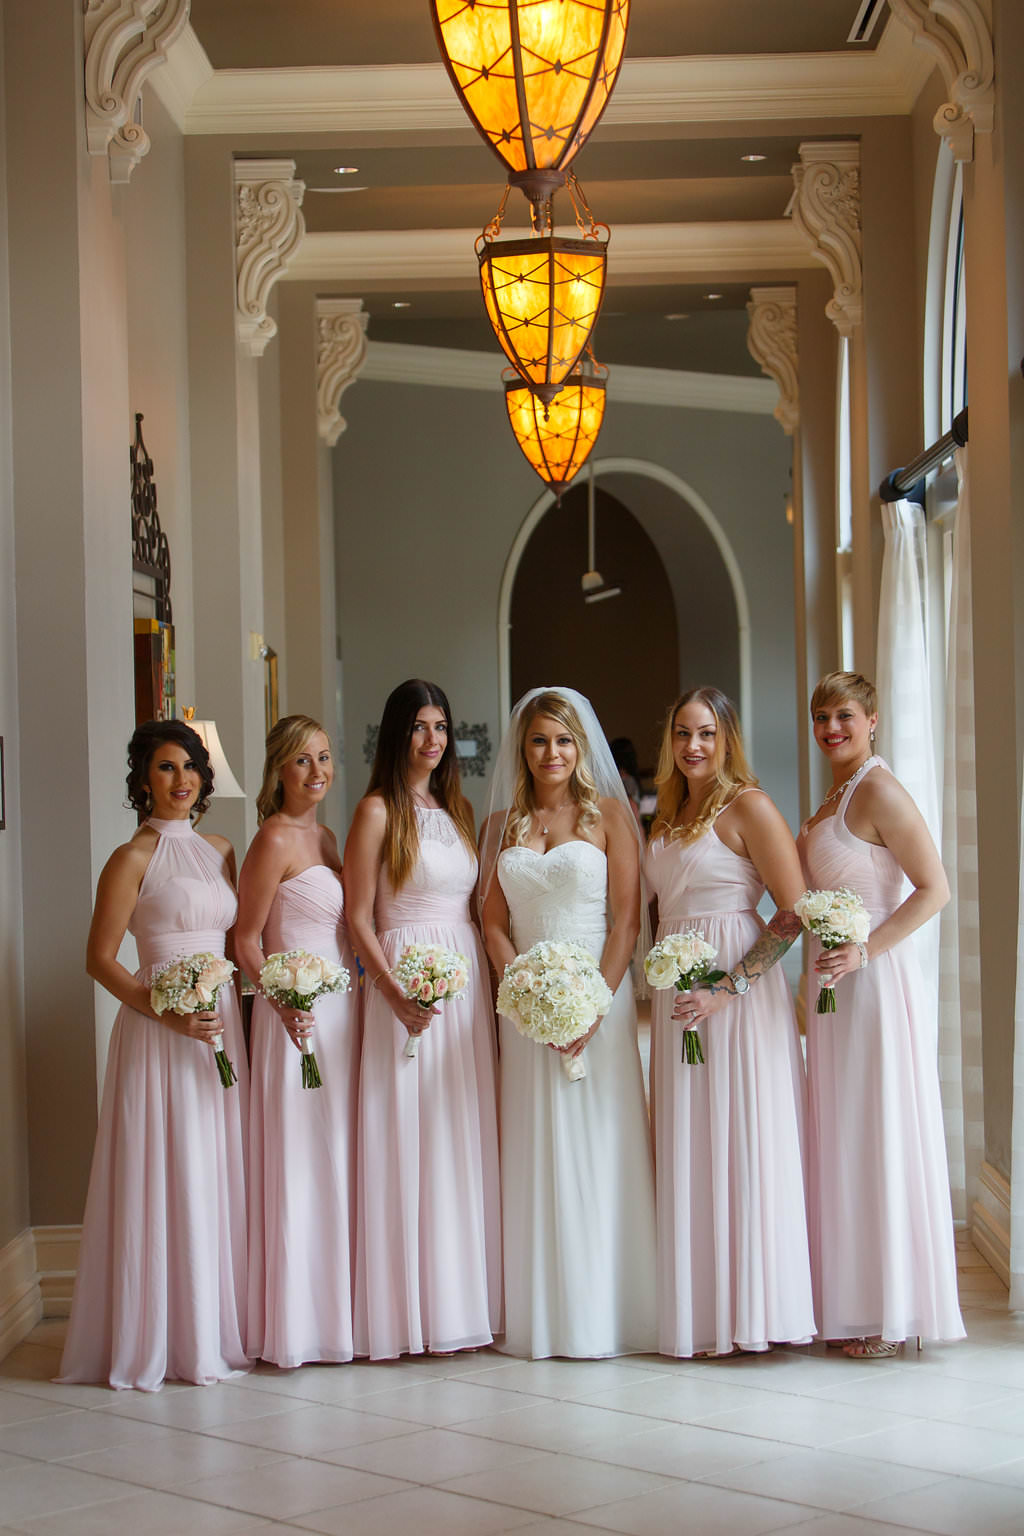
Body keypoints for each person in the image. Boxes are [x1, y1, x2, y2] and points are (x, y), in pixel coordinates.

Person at [58, 721, 248, 1391]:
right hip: (159, 1031)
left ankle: (210, 1331)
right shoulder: (131, 857)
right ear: (143, 780)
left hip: (218, 1029)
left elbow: (233, 941)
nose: (182, 779)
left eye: (190, 766)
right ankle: (157, 1340)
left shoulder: (221, 849)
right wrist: (163, 1009)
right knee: (166, 1171)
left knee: (212, 1169)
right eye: (166, 768)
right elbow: (98, 959)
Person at [480, 687, 656, 1358]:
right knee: (534, 1140)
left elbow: (628, 920)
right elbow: (493, 920)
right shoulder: (502, 823)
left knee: (595, 1142)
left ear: (580, 748)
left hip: (596, 1001)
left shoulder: (609, 815)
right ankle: (543, 1314)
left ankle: (609, 1309)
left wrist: (595, 1004)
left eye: (562, 740)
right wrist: (519, 984)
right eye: (538, 741)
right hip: (525, 1008)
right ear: (522, 750)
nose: (550, 753)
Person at [645, 687, 815, 1358]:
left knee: (744, 1133)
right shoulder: (665, 815)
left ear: (727, 740)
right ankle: (699, 1307)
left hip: (737, 995)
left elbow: (795, 911)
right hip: (676, 993)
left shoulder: (750, 807)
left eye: (707, 734)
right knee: (691, 1137)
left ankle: (757, 1307)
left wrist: (732, 984)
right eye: (683, 733)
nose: (693, 746)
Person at [799, 671, 964, 1357]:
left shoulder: (880, 789)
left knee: (875, 1130)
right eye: (821, 717)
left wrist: (866, 949)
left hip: (871, 983)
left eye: (843, 716)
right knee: (843, 1133)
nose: (831, 728)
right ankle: (852, 1297)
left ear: (872, 720)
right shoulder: (838, 792)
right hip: (833, 984)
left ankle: (890, 1309)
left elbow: (934, 890)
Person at [344, 679, 501, 1358]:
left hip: (462, 978)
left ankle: (465, 1298)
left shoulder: (457, 809)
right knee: (409, 1134)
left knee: (458, 1133)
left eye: (440, 726)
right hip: (403, 978)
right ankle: (409, 1307)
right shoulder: (377, 810)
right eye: (418, 727)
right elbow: (355, 918)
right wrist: (392, 992)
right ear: (395, 734)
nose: (432, 739)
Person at [236, 715, 360, 1367]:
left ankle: (336, 1314)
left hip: (340, 1012)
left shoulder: (331, 837)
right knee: (298, 1158)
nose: (316, 773)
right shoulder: (272, 839)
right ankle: (293, 1323)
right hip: (295, 1018)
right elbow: (244, 940)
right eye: (301, 762)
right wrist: (281, 1002)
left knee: (336, 1157)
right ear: (279, 772)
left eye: (324, 758)